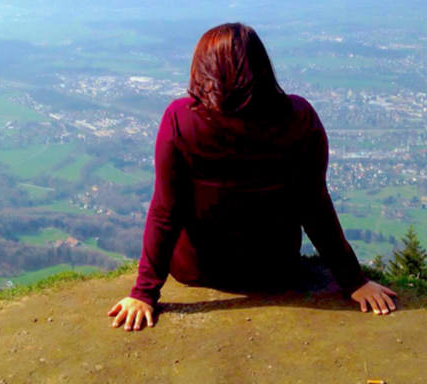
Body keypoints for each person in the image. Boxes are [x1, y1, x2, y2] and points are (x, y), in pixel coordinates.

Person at [108, 23, 397, 331]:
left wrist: (145, 292)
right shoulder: (299, 118)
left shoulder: (181, 119)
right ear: (261, 66)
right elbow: (315, 206)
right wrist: (353, 281)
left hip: (196, 270)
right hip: (275, 269)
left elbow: (166, 210)